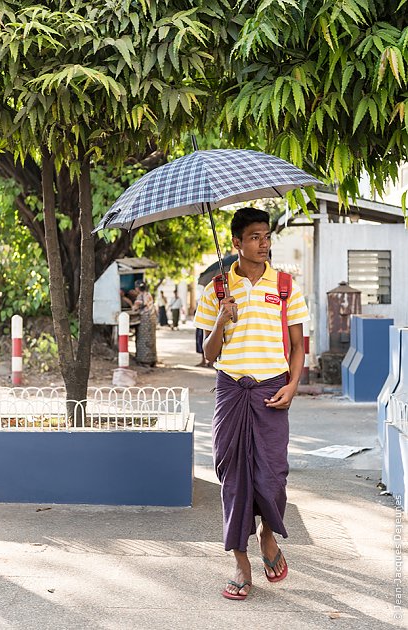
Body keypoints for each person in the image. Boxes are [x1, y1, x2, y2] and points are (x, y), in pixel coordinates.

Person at [194, 207, 309, 600]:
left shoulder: (285, 286)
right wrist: (221, 321)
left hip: (273, 390)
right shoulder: (216, 289)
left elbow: (297, 346)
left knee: (273, 476)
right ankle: (241, 563)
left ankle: (268, 534)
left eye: (266, 236)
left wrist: (293, 386)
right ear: (236, 243)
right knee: (234, 479)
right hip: (231, 391)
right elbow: (207, 354)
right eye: (256, 237)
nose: (264, 244)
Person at [132, 281, 157, 366]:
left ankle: (144, 360)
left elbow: (135, 307)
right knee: (151, 339)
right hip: (152, 318)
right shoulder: (148, 294)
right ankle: (152, 359)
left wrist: (133, 307)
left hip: (145, 320)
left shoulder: (140, 296)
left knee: (143, 339)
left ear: (137, 288)